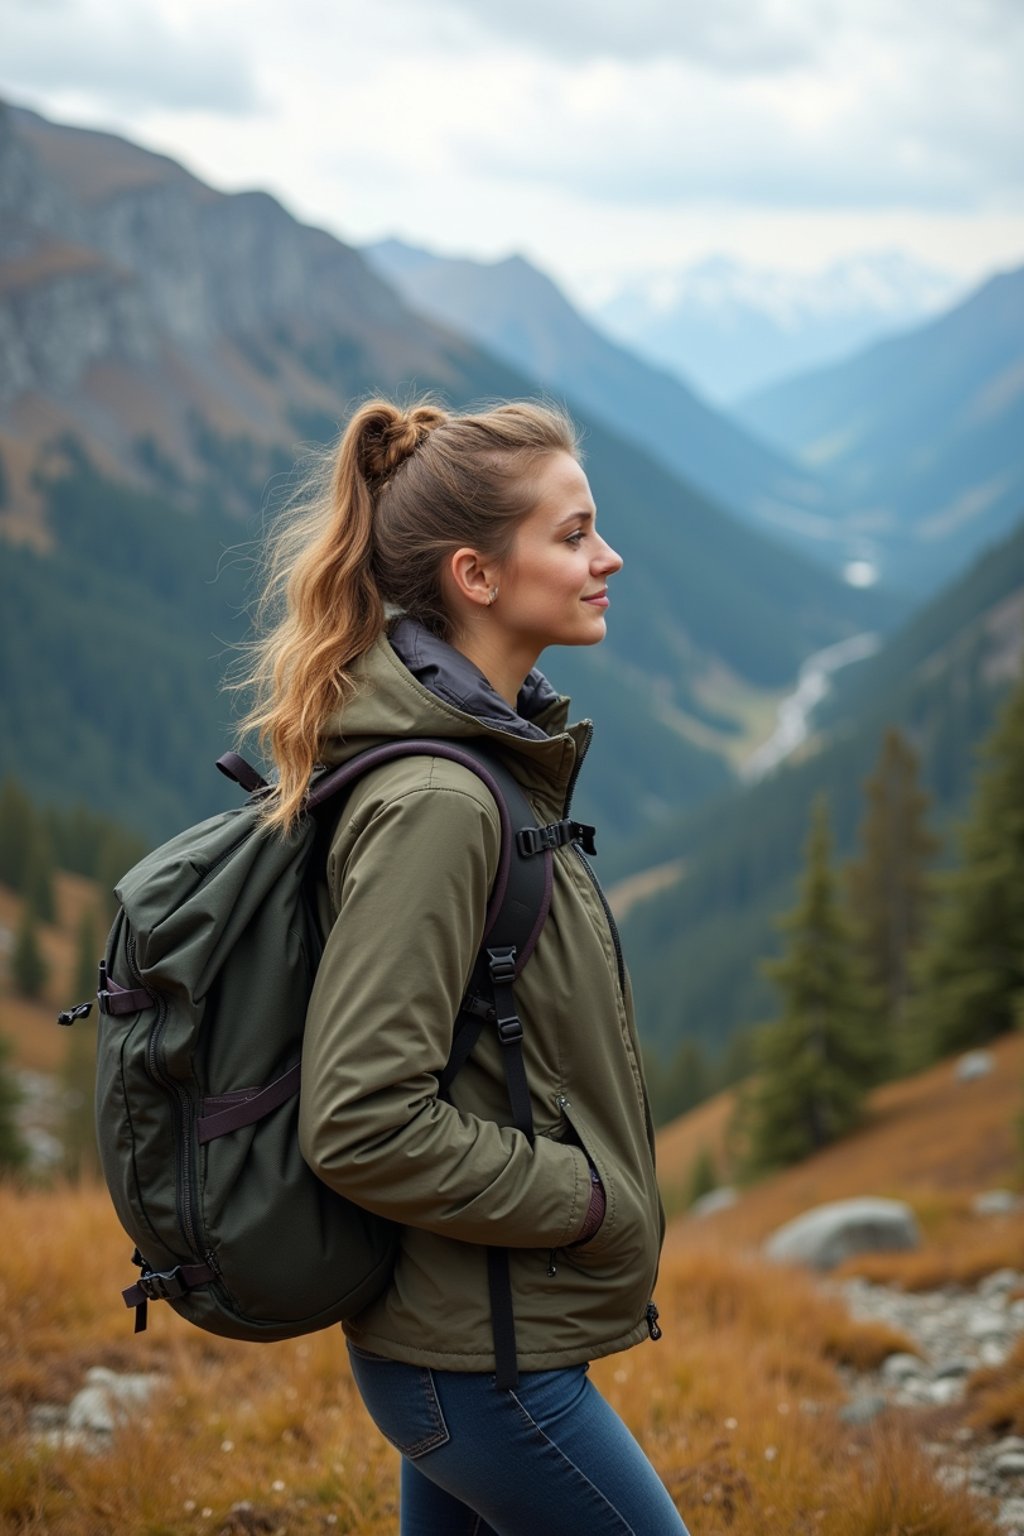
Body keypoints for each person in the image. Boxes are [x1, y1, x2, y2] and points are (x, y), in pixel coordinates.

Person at [239, 397, 690, 1535]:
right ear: (476, 577)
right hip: (485, 1372)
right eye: (574, 533)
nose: (608, 557)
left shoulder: (483, 763)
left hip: (465, 1345)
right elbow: (358, 1120)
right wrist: (584, 1199)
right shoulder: (442, 800)